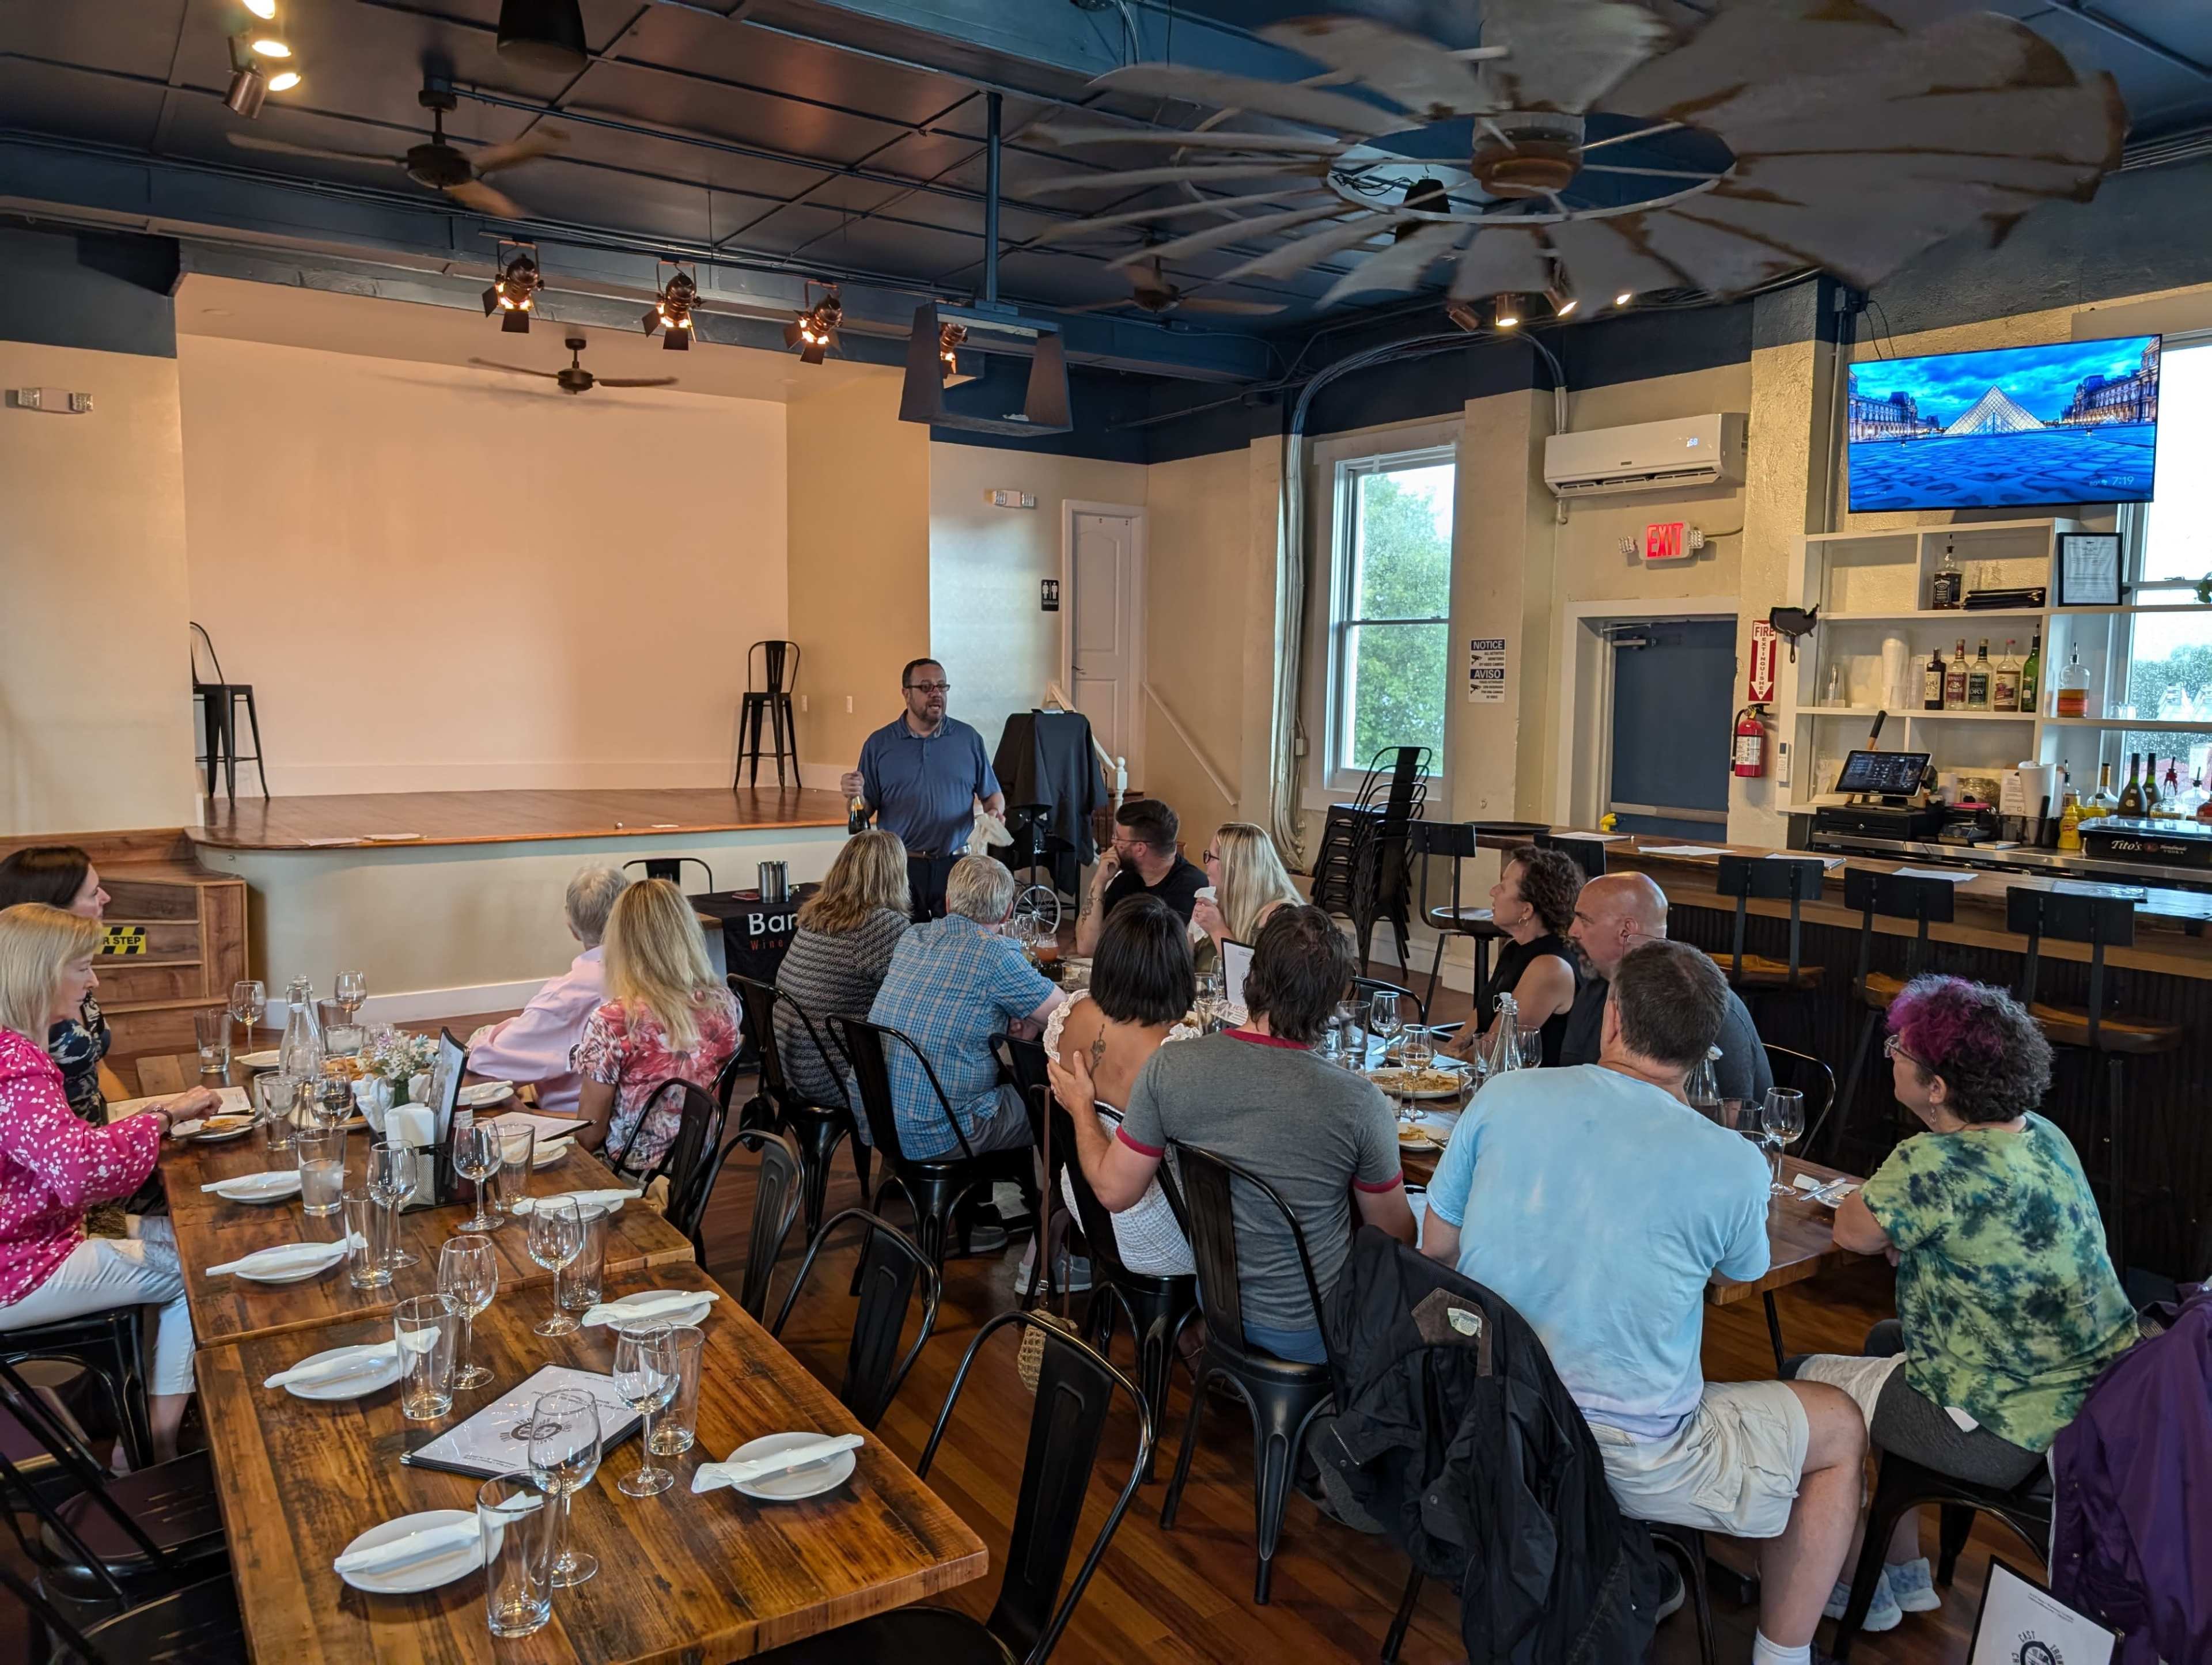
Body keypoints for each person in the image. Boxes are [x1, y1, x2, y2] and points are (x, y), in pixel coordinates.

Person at [1421, 940, 1865, 1665]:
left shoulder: (1506, 1095)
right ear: (1708, 1044)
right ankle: (1783, 1655)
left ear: (1613, 1018)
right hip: (1634, 1455)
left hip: (1493, 1415)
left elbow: (1438, 1245)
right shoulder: (1733, 1162)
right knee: (1840, 1425)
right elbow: (1741, 1270)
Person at [1796, 976, 2136, 1633]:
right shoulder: (2041, 1134)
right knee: (1882, 1341)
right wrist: (1919, 1239)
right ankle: (1903, 1573)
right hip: (2088, 1405)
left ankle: (1840, 1588)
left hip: (2001, 1429)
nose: (1889, 1052)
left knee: (1800, 1379)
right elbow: (1980, 1235)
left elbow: (1853, 1230)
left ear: (1937, 1088)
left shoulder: (1932, 1160)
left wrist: (1895, 1227)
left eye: (1900, 1048)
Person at [1052, 904, 1415, 1364]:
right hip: (1317, 1331)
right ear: (1334, 1001)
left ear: (1251, 979)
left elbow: (1112, 1188)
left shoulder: (1173, 1066)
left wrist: (1082, 1109)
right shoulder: (1362, 1102)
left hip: (1218, 1305)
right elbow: (1394, 1238)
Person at [0, 904, 196, 1462]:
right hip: (21, 1264)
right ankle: (152, 1455)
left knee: (174, 1239)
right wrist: (161, 1119)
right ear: (41, 973)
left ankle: (147, 1425)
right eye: (82, 966)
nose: (94, 979)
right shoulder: (18, 1067)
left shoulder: (13, 1049)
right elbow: (80, 1171)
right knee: (192, 1275)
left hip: (32, 1240)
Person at [0, 848, 215, 1233]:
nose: (106, 898)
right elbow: (68, 1162)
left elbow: (99, 1068)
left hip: (94, 1149)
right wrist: (157, 1121)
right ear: (49, 910)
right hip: (64, 1185)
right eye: (92, 892)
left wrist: (146, 1121)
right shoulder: (23, 1020)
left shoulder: (72, 977)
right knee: (202, 1194)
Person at [865, 855, 1064, 1167]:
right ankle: (1054, 1208)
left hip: (884, 1121)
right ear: (1009, 911)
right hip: (941, 1131)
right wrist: (1031, 1020)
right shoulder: (996, 956)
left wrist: (1021, 1015)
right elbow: (1066, 1016)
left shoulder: (912, 937)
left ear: (947, 901)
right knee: (1061, 1103)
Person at [1042, 895, 1195, 1278]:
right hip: (1155, 1225)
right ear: (1175, 969)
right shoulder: (1171, 1053)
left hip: (1082, 1197)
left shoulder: (1073, 1012)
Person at [572, 878, 741, 1176]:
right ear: (687, 933)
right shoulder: (726, 1004)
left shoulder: (613, 1021)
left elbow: (588, 1135)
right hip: (697, 1168)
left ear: (620, 942)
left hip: (630, 1178)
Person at [1560, 871, 1772, 1102]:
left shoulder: (1698, 1000)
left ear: (1626, 931)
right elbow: (1574, 1076)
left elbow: (1734, 1120)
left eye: (1584, 919)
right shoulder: (1596, 986)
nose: (1573, 930)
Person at [839, 659, 1005, 920]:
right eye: (926, 687)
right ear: (906, 694)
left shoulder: (968, 738)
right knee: (900, 943)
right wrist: (854, 796)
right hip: (900, 866)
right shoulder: (880, 743)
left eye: (941, 686)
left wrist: (994, 812)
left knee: (955, 944)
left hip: (956, 865)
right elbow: (864, 809)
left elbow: (992, 795)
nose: (936, 693)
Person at [464, 864, 628, 1118]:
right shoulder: (655, 975)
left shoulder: (568, 992)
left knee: (474, 1080)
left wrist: (481, 1037)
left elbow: (487, 1060)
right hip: (645, 1120)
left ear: (571, 926)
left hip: (577, 1120)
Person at [772, 829, 910, 1106]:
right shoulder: (881, 926)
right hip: (835, 1074)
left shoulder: (815, 914)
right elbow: (919, 994)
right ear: (895, 875)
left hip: (789, 1067)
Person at [1442, 844, 1580, 1066]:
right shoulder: (1515, 948)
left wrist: (1444, 1069)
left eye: (1503, 887)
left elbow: (1495, 1049)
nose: (1493, 891)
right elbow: (1484, 1012)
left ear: (1526, 910)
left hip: (1533, 1090)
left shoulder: (1550, 967)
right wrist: (1451, 1049)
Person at [1074, 799, 1207, 957]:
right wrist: (1099, 882)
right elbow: (1086, 947)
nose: (1113, 844)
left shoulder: (1190, 887)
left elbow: (1156, 957)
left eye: (1118, 839)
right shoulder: (1128, 879)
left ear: (1140, 849)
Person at [1190, 821, 1302, 961]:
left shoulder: (1280, 918)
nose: (1206, 863)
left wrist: (1217, 929)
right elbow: (1183, 964)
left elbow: (1251, 977)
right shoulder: (1222, 899)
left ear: (1233, 866)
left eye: (1211, 857)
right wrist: (1192, 930)